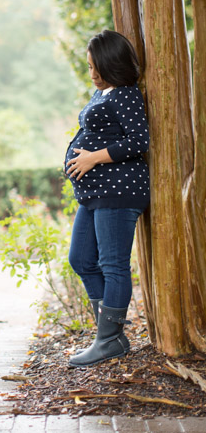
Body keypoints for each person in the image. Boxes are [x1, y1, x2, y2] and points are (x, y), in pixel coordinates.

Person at [65, 29, 150, 367]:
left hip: (118, 191)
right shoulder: (104, 94)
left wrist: (92, 157)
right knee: (81, 259)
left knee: (113, 266)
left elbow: (138, 140)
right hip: (96, 193)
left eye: (95, 67)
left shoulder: (125, 94)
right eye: (88, 67)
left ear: (111, 64)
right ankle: (110, 335)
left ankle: (108, 340)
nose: (92, 74)